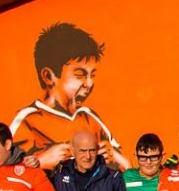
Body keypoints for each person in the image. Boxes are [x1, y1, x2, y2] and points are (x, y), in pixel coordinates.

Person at [10, 21, 128, 170]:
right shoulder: (28, 120)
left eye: (92, 75)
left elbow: (128, 167)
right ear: (48, 76)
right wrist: (41, 161)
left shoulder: (89, 117)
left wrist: (115, 157)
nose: (89, 83)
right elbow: (6, 173)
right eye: (80, 75)